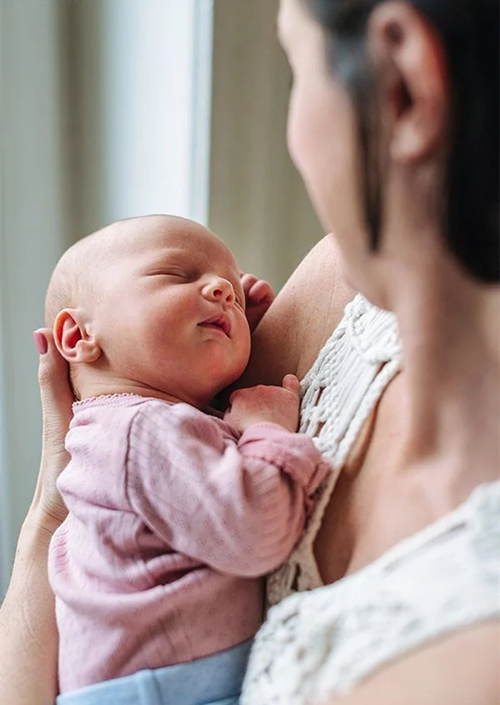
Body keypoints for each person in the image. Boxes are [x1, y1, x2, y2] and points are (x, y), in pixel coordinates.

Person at [0, 0, 498, 703]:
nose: (225, 292)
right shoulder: (340, 286)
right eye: (185, 278)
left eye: (297, 67)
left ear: (405, 85)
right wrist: (50, 513)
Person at [43, 214, 328, 705]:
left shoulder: (126, 430)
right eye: (177, 275)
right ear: (78, 336)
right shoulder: (140, 431)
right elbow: (256, 533)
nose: (222, 287)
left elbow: (197, 461)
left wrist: (247, 333)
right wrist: (266, 428)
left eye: (233, 296)